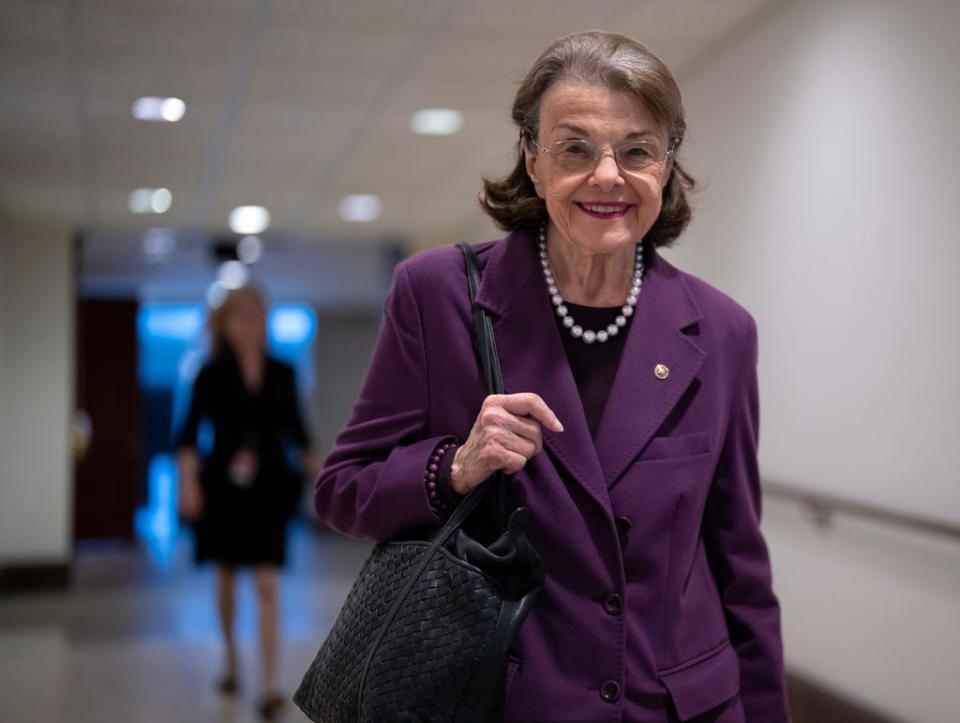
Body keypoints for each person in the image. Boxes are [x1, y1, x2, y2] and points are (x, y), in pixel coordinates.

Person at [314, 30, 788, 722]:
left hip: (678, 707)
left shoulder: (722, 332)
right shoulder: (439, 294)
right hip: (507, 701)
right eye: (575, 148)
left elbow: (739, 560)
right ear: (532, 161)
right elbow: (341, 489)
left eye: (636, 150)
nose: (607, 176)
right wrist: (456, 465)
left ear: (665, 167)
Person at [176, 285, 316, 721]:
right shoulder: (209, 373)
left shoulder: (282, 372)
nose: (249, 320)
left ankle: (271, 682)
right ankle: (232, 659)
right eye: (240, 313)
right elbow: (186, 436)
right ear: (224, 322)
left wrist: (325, 482)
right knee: (226, 578)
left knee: (267, 583)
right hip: (222, 488)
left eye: (256, 312)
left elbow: (299, 432)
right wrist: (188, 487)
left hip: (272, 487)